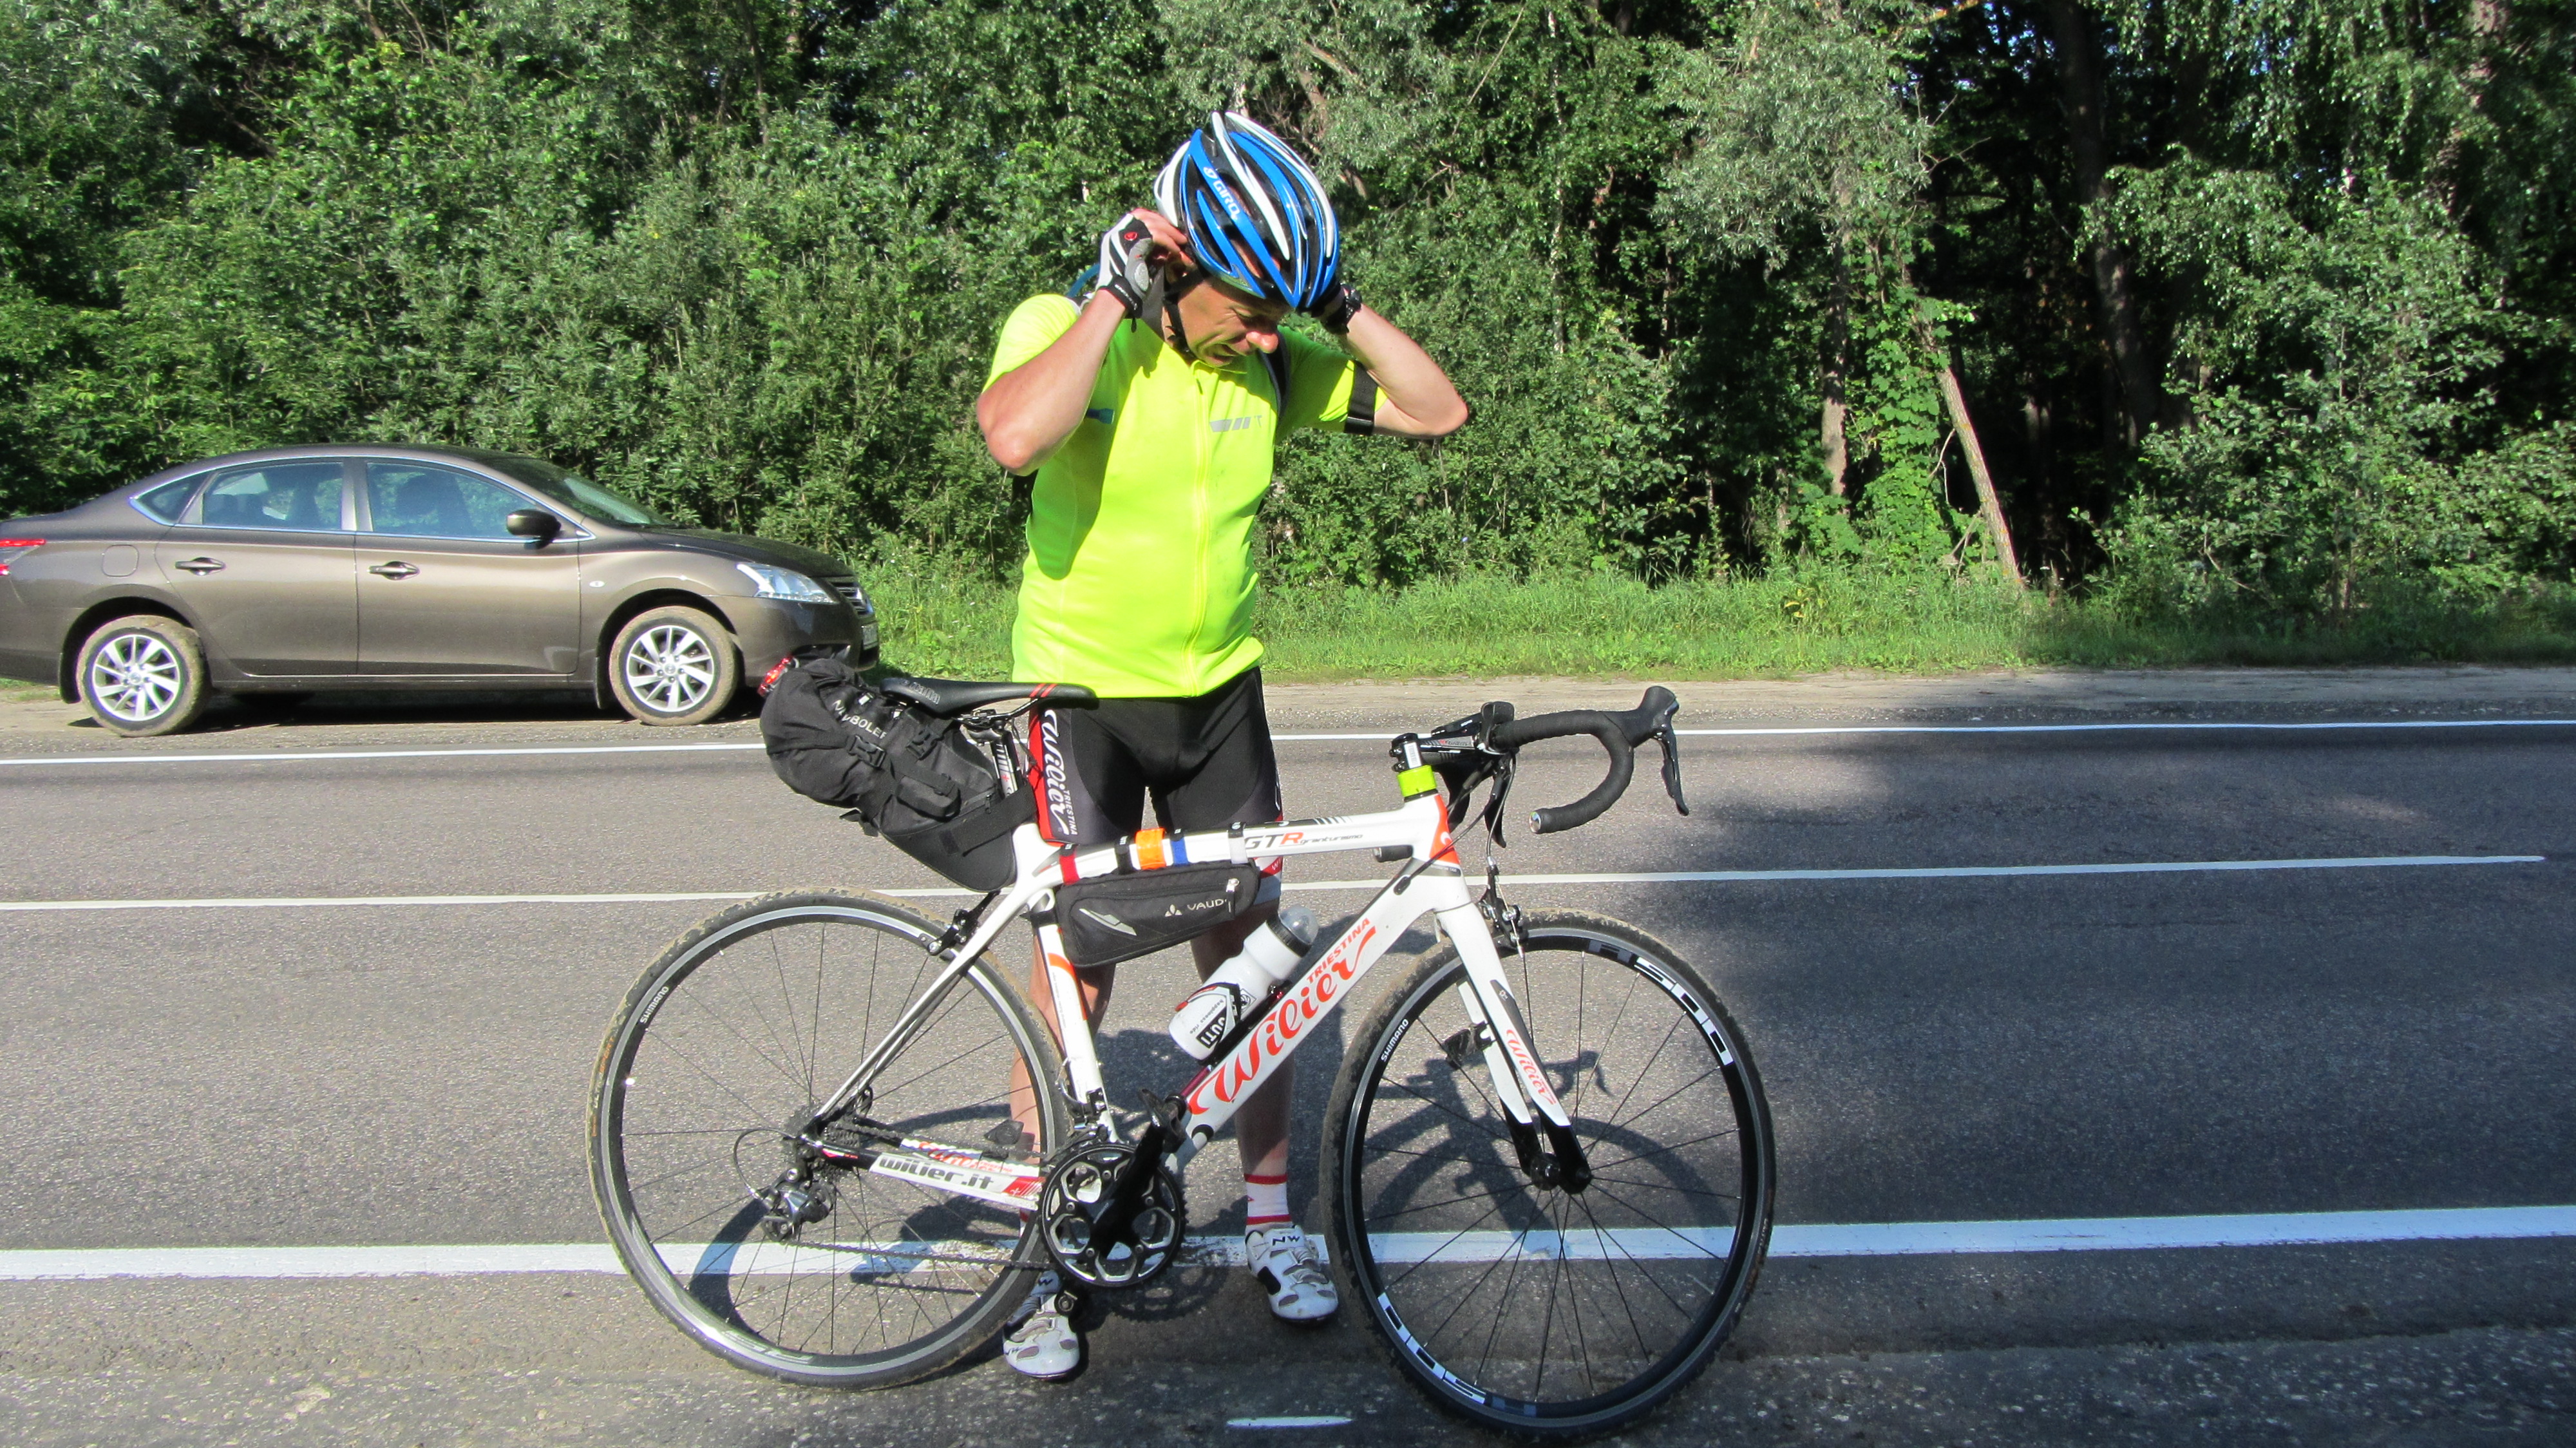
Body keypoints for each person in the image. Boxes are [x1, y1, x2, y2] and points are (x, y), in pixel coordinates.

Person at [974, 112, 1468, 1380]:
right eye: (1249, 311)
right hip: (1082, 695)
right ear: (1176, 268)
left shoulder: (1271, 367)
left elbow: (1437, 409)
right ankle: (1047, 1248)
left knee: (1255, 966)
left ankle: (1269, 1222)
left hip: (1217, 701)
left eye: (1277, 318)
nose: (1264, 336)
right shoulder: (1067, 326)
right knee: (1076, 974)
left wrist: (1326, 301)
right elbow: (1014, 436)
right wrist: (1108, 296)